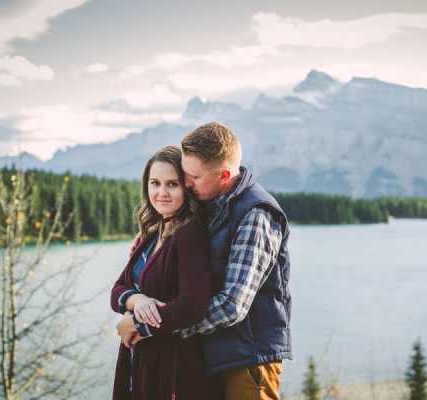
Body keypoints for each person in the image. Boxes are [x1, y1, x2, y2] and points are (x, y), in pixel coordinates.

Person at [180, 121, 292, 400]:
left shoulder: (255, 214)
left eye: (194, 176)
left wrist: (167, 326)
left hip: (249, 361)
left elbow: (233, 305)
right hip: (223, 353)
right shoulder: (214, 205)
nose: (185, 183)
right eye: (184, 172)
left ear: (224, 175)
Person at [110, 146, 211, 400]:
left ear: (185, 188)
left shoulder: (189, 234)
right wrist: (138, 299)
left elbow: (192, 306)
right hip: (141, 360)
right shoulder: (152, 232)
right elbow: (117, 290)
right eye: (155, 183)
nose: (161, 192)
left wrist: (136, 323)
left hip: (172, 367)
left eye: (172, 184)